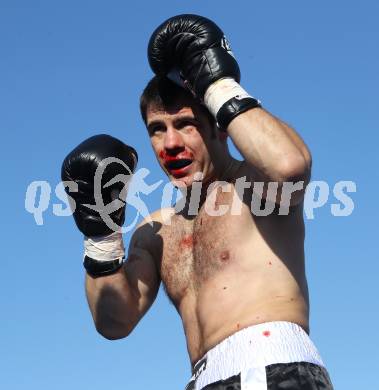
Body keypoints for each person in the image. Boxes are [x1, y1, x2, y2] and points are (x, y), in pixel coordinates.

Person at [62, 14, 333, 390]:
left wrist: (217, 85)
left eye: (185, 124)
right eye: (157, 129)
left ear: (219, 125)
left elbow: (289, 166)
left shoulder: (254, 186)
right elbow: (114, 322)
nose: (170, 144)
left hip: (271, 367)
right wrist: (100, 233)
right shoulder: (156, 230)